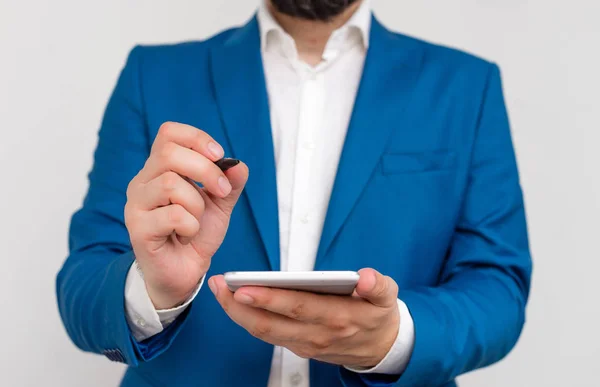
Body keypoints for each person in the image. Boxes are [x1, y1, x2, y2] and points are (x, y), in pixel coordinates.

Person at [56, 0, 532, 386]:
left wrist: (394, 337)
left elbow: (498, 287)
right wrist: (152, 290)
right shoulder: (152, 75)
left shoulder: (467, 86)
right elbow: (83, 281)